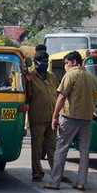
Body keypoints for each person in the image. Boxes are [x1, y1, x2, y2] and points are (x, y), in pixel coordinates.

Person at [44, 51, 97, 191]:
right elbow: (95, 99)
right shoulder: (91, 78)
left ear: (74, 62)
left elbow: (61, 97)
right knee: (84, 152)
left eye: (66, 63)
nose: (65, 67)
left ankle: (55, 182)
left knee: (61, 149)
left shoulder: (70, 75)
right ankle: (81, 182)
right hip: (86, 119)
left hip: (69, 117)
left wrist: (54, 116)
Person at [26, 50, 59, 182]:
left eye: (46, 61)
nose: (45, 64)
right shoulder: (30, 78)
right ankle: (37, 172)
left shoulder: (52, 77)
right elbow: (27, 97)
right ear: (35, 63)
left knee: (52, 147)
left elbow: (56, 94)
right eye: (42, 61)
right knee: (37, 148)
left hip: (51, 117)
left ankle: (56, 172)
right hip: (37, 118)